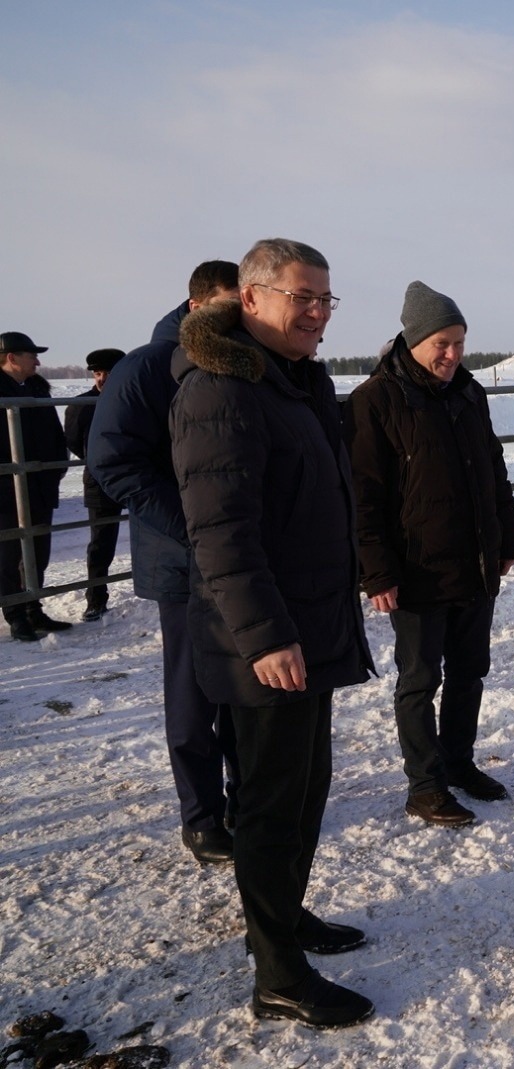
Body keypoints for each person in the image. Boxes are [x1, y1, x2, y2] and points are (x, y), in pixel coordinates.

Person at [169, 238, 374, 1029]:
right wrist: (264, 637)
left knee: (306, 785)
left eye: (327, 299)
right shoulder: (222, 388)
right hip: (266, 638)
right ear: (250, 299)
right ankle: (278, 973)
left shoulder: (292, 379)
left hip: (310, 622)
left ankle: (285, 919)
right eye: (303, 298)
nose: (318, 313)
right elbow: (221, 530)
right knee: (268, 802)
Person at [345, 281, 514, 827]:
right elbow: (363, 495)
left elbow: (494, 470)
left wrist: (507, 538)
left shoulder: (469, 394)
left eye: (459, 343)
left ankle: (459, 762)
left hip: (474, 560)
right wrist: (377, 572)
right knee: (420, 679)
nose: (451, 355)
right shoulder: (375, 401)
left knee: (470, 671)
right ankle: (424, 785)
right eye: (441, 344)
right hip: (416, 569)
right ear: (414, 339)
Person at [88, 261, 241, 866]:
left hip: (241, 557)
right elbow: (114, 461)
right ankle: (200, 816)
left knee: (243, 689)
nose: (239, 316)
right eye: (230, 304)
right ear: (197, 302)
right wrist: (194, 529)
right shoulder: (147, 367)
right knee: (193, 692)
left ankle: (241, 798)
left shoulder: (241, 359)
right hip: (183, 562)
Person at [1, 331, 71, 642]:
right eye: (32, 356)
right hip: (4, 493)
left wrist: (54, 469)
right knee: (9, 554)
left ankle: (34, 609)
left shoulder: (38, 391)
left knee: (38, 551)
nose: (38, 362)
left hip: (40, 486)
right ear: (11, 358)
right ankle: (16, 615)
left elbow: (55, 435)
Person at [62, 348, 126, 621]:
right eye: (98, 373)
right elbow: (75, 441)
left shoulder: (134, 399)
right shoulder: (82, 405)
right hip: (100, 482)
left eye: (108, 373)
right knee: (101, 544)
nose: (102, 379)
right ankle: (96, 600)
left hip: (140, 479)